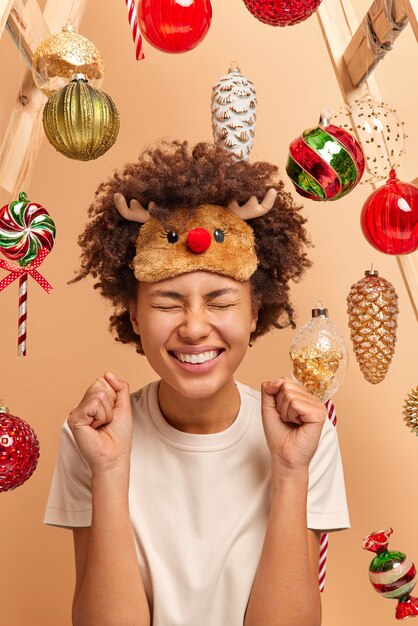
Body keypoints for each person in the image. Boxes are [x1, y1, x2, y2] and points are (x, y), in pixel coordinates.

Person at [44, 140, 350, 626]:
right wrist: (108, 472)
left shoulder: (307, 440)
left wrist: (291, 471)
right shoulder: (91, 440)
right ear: (134, 316)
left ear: (256, 313)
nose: (192, 326)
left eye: (221, 301)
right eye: (167, 303)